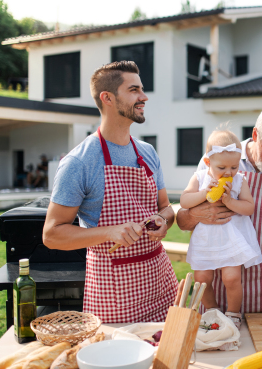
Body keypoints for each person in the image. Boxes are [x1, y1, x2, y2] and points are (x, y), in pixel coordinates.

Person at [43, 61, 178, 323]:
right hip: (115, 292)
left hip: (161, 285)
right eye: (134, 90)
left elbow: (166, 207)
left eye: (142, 89)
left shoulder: (147, 152)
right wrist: (108, 232)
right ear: (107, 98)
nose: (144, 97)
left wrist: (164, 220)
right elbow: (51, 234)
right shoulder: (79, 162)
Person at [176, 104, 262, 315]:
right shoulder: (221, 157)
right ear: (255, 134)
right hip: (220, 293)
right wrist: (196, 214)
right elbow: (183, 221)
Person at [180, 130, 262, 328]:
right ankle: (212, 310)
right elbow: (184, 200)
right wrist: (204, 194)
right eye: (222, 167)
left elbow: (249, 207)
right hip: (206, 238)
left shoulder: (239, 180)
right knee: (202, 278)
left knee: (232, 277)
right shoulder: (200, 178)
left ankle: (234, 313)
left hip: (230, 237)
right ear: (208, 163)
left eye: (234, 166)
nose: (228, 172)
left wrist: (229, 201)